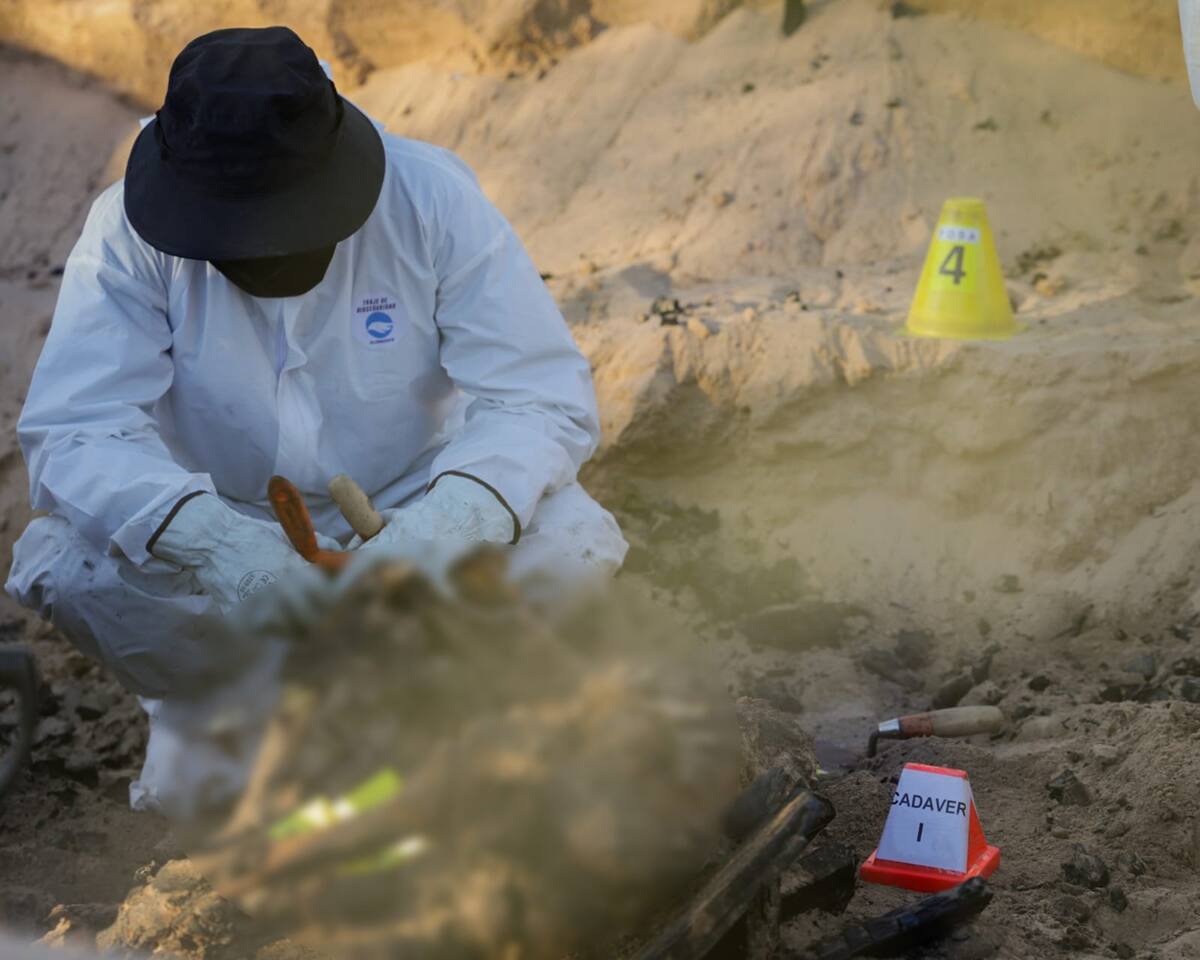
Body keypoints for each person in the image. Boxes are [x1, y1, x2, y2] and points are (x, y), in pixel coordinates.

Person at [4, 26, 626, 816]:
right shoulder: (126, 233)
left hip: (411, 498)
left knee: (574, 538)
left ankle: (457, 715)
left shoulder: (430, 199)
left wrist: (443, 527)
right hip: (223, 517)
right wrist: (221, 547)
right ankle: (230, 721)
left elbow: (539, 396)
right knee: (62, 560)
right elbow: (76, 429)